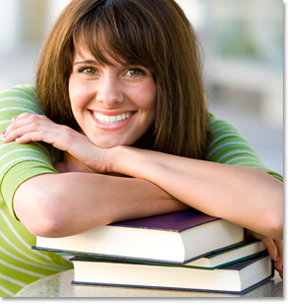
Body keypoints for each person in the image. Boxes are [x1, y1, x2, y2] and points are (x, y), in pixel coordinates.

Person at [0, 0, 283, 297]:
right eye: (88, 69)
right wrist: (213, 197)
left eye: (134, 71)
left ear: (170, 80)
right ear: (64, 74)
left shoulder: (206, 133)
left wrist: (115, 158)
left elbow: (275, 210)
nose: (109, 97)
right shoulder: (22, 113)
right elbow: (48, 210)